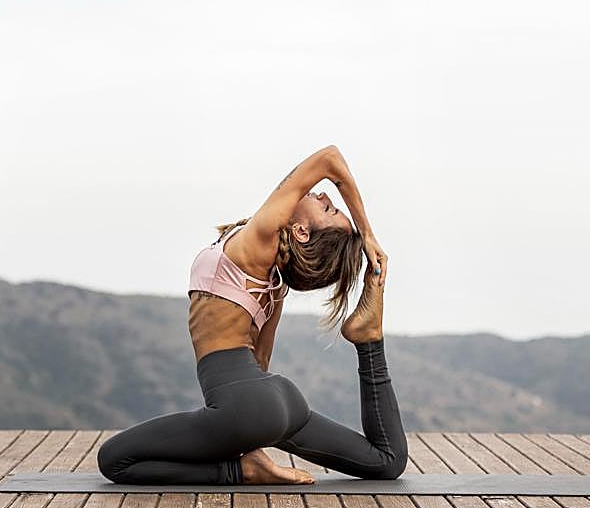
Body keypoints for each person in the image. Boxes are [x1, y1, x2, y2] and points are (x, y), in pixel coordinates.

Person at [97, 145, 408, 485]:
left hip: (247, 407)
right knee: (386, 461)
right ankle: (370, 341)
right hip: (280, 401)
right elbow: (259, 362)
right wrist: (248, 438)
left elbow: (329, 158)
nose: (321, 194)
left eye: (328, 207)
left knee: (114, 460)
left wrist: (368, 235)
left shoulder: (258, 241)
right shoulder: (274, 280)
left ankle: (240, 472)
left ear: (301, 231)